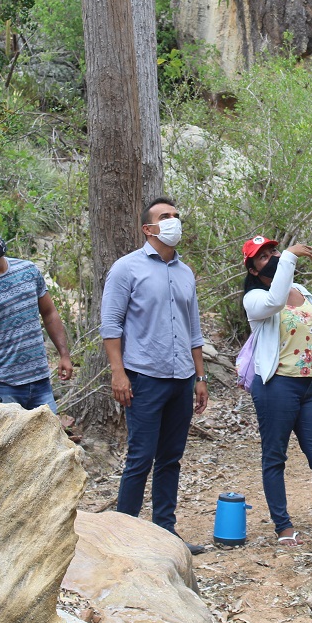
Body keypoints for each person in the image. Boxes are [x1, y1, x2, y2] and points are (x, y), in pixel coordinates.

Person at [101, 197, 208, 555]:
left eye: (176, 215)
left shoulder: (185, 272)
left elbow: (194, 329)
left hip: (181, 378)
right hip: (144, 377)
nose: (174, 221)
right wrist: (118, 373)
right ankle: (122, 537)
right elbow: (111, 325)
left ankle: (166, 533)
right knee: (140, 457)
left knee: (171, 458)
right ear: (148, 228)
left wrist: (200, 377)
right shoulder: (126, 269)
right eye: (165, 217)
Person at [242, 235, 312, 547]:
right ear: (253, 270)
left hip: (309, 385)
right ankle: (283, 526)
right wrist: (289, 256)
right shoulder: (255, 298)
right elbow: (276, 302)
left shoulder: (302, 291)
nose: (273, 257)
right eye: (263, 257)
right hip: (277, 386)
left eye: (274, 251)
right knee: (275, 457)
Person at [0, 218, 73, 412]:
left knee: (51, 432)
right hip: (1, 386)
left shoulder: (28, 270)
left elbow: (49, 313)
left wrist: (64, 355)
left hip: (40, 381)